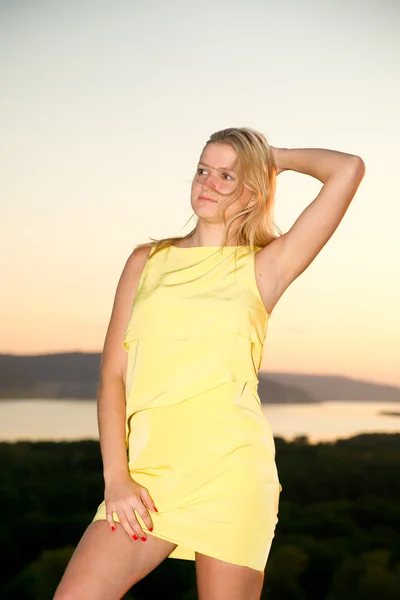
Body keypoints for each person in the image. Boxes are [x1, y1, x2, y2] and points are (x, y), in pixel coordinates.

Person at [54, 127, 365, 600]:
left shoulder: (266, 266)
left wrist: (268, 157)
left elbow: (347, 169)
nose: (208, 183)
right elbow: (112, 376)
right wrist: (116, 477)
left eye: (227, 175)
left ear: (253, 189)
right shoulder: (146, 261)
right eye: (203, 169)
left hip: (231, 476)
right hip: (144, 478)